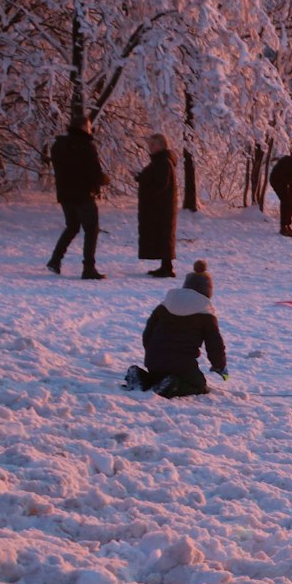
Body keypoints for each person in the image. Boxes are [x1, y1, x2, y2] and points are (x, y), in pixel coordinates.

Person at [122, 261, 227, 398]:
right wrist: (220, 366)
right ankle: (172, 386)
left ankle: (141, 377)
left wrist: (153, 352)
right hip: (182, 365)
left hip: (154, 360)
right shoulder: (206, 316)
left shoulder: (163, 307)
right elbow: (215, 346)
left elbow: (147, 333)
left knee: (159, 377)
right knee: (199, 385)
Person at [47, 115, 109, 280]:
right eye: (89, 127)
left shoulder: (58, 145)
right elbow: (93, 171)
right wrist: (104, 180)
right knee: (91, 230)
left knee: (72, 227)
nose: (91, 130)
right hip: (83, 195)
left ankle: (55, 259)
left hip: (65, 194)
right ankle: (88, 267)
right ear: (84, 128)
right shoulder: (86, 146)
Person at [137, 133, 178, 277]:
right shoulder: (160, 161)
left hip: (161, 207)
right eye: (150, 145)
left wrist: (146, 185)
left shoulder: (163, 161)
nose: (151, 148)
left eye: (153, 145)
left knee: (163, 234)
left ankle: (167, 268)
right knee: (162, 235)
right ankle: (165, 266)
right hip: (161, 206)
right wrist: (141, 178)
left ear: (161, 145)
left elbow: (160, 183)